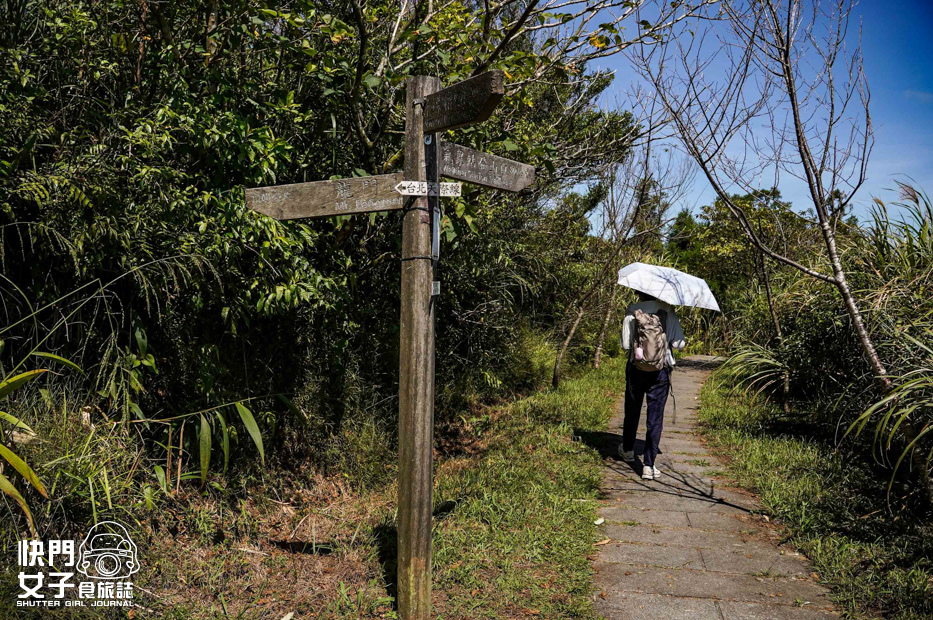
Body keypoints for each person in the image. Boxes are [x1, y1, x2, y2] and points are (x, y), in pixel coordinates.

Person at [618, 292, 685, 480]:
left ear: (639, 292)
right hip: (661, 371)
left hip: (636, 368)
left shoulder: (632, 312)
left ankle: (628, 450)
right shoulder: (668, 312)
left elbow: (625, 345)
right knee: (655, 418)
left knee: (632, 409)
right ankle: (648, 465)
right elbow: (679, 344)